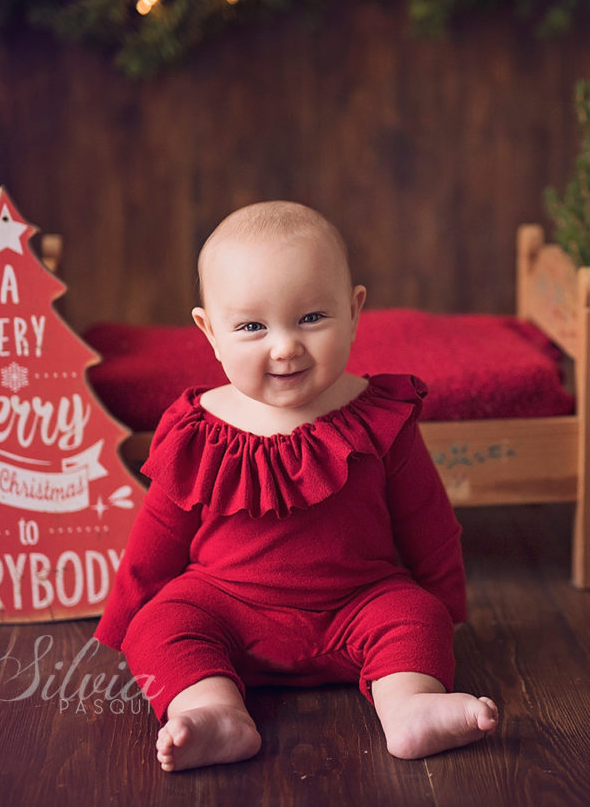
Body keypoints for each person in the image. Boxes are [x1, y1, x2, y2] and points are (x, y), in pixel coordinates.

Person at [95, 200, 498, 772]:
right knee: (163, 623)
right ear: (209, 331)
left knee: (413, 615)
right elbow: (157, 534)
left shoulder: (377, 416)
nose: (284, 346)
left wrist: (443, 602)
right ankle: (215, 711)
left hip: (358, 602)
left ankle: (410, 706)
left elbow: (427, 520)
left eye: (312, 317)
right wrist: (126, 618)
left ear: (354, 311)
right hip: (226, 605)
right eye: (252, 326)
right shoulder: (199, 428)